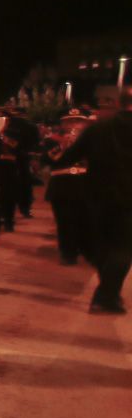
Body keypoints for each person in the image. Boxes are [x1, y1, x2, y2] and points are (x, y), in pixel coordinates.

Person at [64, 90, 132, 314]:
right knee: (122, 248)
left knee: (104, 245)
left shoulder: (98, 127)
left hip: (97, 195)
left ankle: (109, 295)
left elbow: (69, 156)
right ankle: (105, 296)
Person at [45, 111, 92, 266]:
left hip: (84, 183)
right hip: (62, 184)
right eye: (70, 121)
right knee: (64, 221)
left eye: (78, 121)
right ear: (62, 124)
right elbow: (46, 160)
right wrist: (62, 146)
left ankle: (85, 249)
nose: (74, 124)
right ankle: (68, 253)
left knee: (84, 220)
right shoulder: (52, 141)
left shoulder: (91, 140)